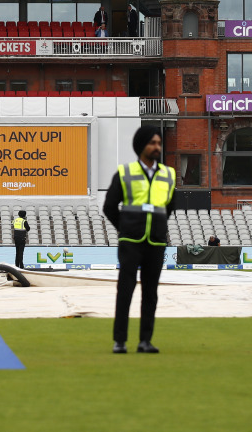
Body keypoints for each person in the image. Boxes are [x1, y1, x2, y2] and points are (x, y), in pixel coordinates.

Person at [103, 125, 175, 354]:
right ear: (141, 146)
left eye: (159, 143)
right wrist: (124, 229)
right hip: (131, 242)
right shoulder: (125, 172)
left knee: (150, 292)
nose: (157, 147)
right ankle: (120, 341)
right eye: (152, 143)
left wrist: (157, 227)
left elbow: (169, 207)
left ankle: (145, 341)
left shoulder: (169, 174)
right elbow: (109, 206)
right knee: (125, 290)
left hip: (156, 242)